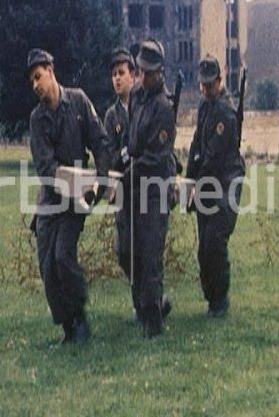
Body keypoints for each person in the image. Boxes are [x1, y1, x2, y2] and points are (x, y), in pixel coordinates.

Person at [26, 48, 111, 344]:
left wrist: (99, 181)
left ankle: (81, 318)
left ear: (51, 70)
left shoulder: (78, 101)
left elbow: (100, 142)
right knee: (47, 266)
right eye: (31, 81)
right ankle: (68, 328)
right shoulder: (37, 120)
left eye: (39, 76)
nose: (36, 85)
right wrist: (66, 185)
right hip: (51, 199)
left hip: (78, 198)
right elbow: (46, 168)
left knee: (63, 256)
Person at [123, 39, 176, 338]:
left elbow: (156, 157)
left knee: (151, 253)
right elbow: (133, 141)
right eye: (141, 71)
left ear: (160, 73)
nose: (144, 77)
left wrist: (130, 171)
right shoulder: (139, 97)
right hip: (135, 184)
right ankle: (147, 307)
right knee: (132, 252)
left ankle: (153, 325)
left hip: (155, 187)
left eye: (150, 73)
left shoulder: (163, 107)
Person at [186, 55, 245, 317]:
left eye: (210, 85)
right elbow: (197, 145)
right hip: (207, 182)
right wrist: (189, 180)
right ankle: (211, 299)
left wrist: (196, 183)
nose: (206, 89)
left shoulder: (224, 113)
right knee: (204, 247)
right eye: (203, 85)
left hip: (226, 181)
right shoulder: (205, 107)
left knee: (214, 242)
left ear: (220, 81)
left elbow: (214, 156)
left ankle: (220, 302)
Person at [103, 48, 137, 315]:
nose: (117, 79)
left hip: (145, 186)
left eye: (122, 73)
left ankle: (148, 305)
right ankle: (144, 296)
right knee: (123, 250)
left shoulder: (144, 106)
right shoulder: (111, 116)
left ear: (133, 76)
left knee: (146, 249)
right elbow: (108, 154)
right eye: (114, 74)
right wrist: (126, 153)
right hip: (123, 189)